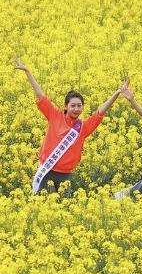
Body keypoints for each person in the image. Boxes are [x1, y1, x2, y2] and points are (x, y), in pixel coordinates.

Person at [14, 58, 123, 194]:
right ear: (66, 106)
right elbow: (40, 95)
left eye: (79, 106)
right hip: (47, 170)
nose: (76, 109)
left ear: (83, 107)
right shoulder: (55, 115)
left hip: (66, 175)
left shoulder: (83, 127)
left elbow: (100, 112)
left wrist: (117, 93)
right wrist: (27, 71)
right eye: (73, 105)